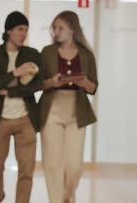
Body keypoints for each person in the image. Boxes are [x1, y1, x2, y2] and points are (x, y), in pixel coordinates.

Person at [0, 11, 43, 203]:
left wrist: (7, 89)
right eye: (20, 29)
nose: (24, 34)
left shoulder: (33, 54)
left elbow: (37, 84)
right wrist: (17, 73)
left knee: (27, 170)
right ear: (9, 30)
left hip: (26, 120)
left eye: (26, 30)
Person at [39, 11, 98, 203]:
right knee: (52, 164)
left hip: (77, 113)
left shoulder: (86, 54)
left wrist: (84, 82)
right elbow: (38, 83)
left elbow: (94, 87)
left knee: (74, 165)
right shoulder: (47, 52)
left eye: (60, 28)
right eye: (54, 28)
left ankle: (67, 194)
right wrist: (52, 82)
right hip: (52, 113)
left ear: (72, 29)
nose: (56, 32)